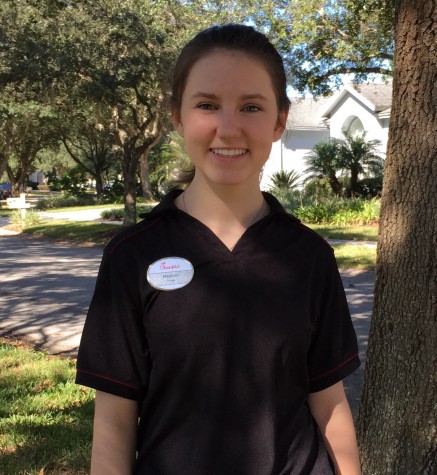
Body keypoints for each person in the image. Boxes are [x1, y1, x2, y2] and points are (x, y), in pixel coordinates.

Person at [76, 24, 361, 475]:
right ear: (178, 116)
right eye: (208, 105)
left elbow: (329, 404)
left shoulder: (310, 257)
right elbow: (113, 423)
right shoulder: (131, 255)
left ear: (279, 122)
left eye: (251, 107)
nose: (228, 129)